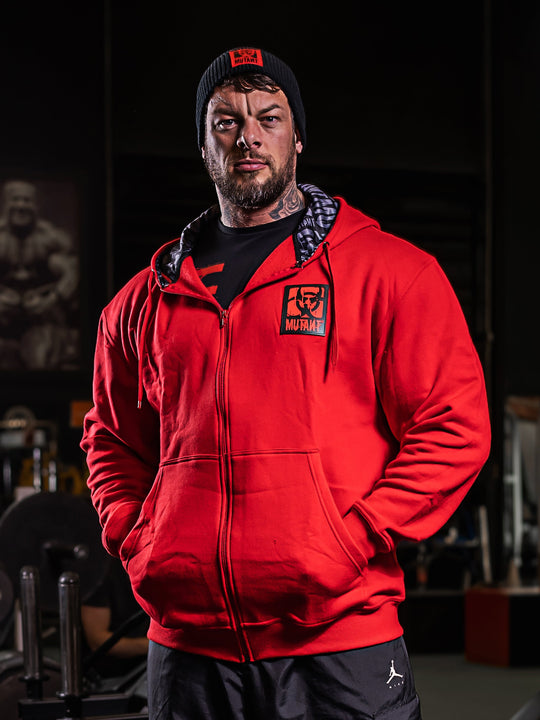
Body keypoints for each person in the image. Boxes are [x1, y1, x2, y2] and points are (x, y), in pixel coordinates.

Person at [81, 46, 491, 720]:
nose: (248, 137)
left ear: (297, 136)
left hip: (340, 639)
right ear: (204, 145)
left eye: (268, 118)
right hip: (189, 647)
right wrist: (136, 534)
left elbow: (455, 426)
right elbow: (111, 440)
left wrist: (353, 539)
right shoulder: (140, 304)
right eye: (226, 121)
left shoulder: (390, 275)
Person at [0, 179, 79, 369]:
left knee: (41, 359)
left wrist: (51, 299)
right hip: (3, 317)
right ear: (6, 204)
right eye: (16, 200)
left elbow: (72, 271)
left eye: (26, 200)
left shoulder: (50, 238)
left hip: (39, 317)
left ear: (35, 205)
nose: (21, 206)